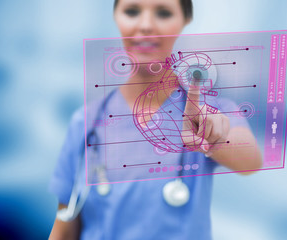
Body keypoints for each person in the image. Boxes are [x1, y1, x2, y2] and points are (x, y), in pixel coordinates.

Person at [49, 0, 262, 239]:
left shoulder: (212, 112)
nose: (146, 25)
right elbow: (65, 225)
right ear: (116, 17)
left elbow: (250, 161)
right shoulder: (85, 122)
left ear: (185, 20)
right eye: (131, 11)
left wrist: (215, 138)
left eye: (163, 12)